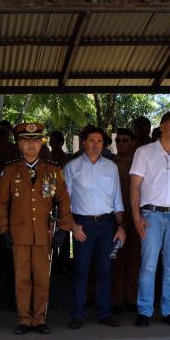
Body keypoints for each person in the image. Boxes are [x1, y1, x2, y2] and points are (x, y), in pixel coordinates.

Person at [0, 123, 73, 334]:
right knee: (21, 279)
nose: (31, 145)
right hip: (19, 234)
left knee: (41, 278)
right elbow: (1, 203)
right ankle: (24, 318)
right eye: (26, 141)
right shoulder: (10, 170)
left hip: (43, 233)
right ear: (19, 144)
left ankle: (39, 318)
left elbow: (64, 201)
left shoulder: (53, 170)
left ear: (41, 143)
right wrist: (3, 229)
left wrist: (63, 229)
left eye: (35, 140)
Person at [130, 112, 170, 327]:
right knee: (148, 266)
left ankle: (168, 310)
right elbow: (135, 185)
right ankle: (144, 311)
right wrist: (136, 216)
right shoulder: (144, 152)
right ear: (162, 126)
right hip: (151, 215)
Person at [64, 126, 127, 329]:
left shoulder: (111, 167)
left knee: (105, 269)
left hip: (108, 225)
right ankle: (78, 314)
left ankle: (104, 313)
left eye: (99, 142)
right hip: (84, 224)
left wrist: (121, 226)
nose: (95, 145)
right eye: (92, 141)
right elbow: (65, 200)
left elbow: (117, 198)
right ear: (83, 142)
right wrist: (73, 225)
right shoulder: (72, 167)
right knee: (81, 270)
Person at [111, 128, 141, 313]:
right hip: (116, 217)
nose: (121, 143)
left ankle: (132, 299)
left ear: (133, 142)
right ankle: (116, 300)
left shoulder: (141, 163)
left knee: (135, 258)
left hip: (137, 215)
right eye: (118, 140)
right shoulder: (110, 164)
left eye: (125, 140)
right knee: (116, 257)